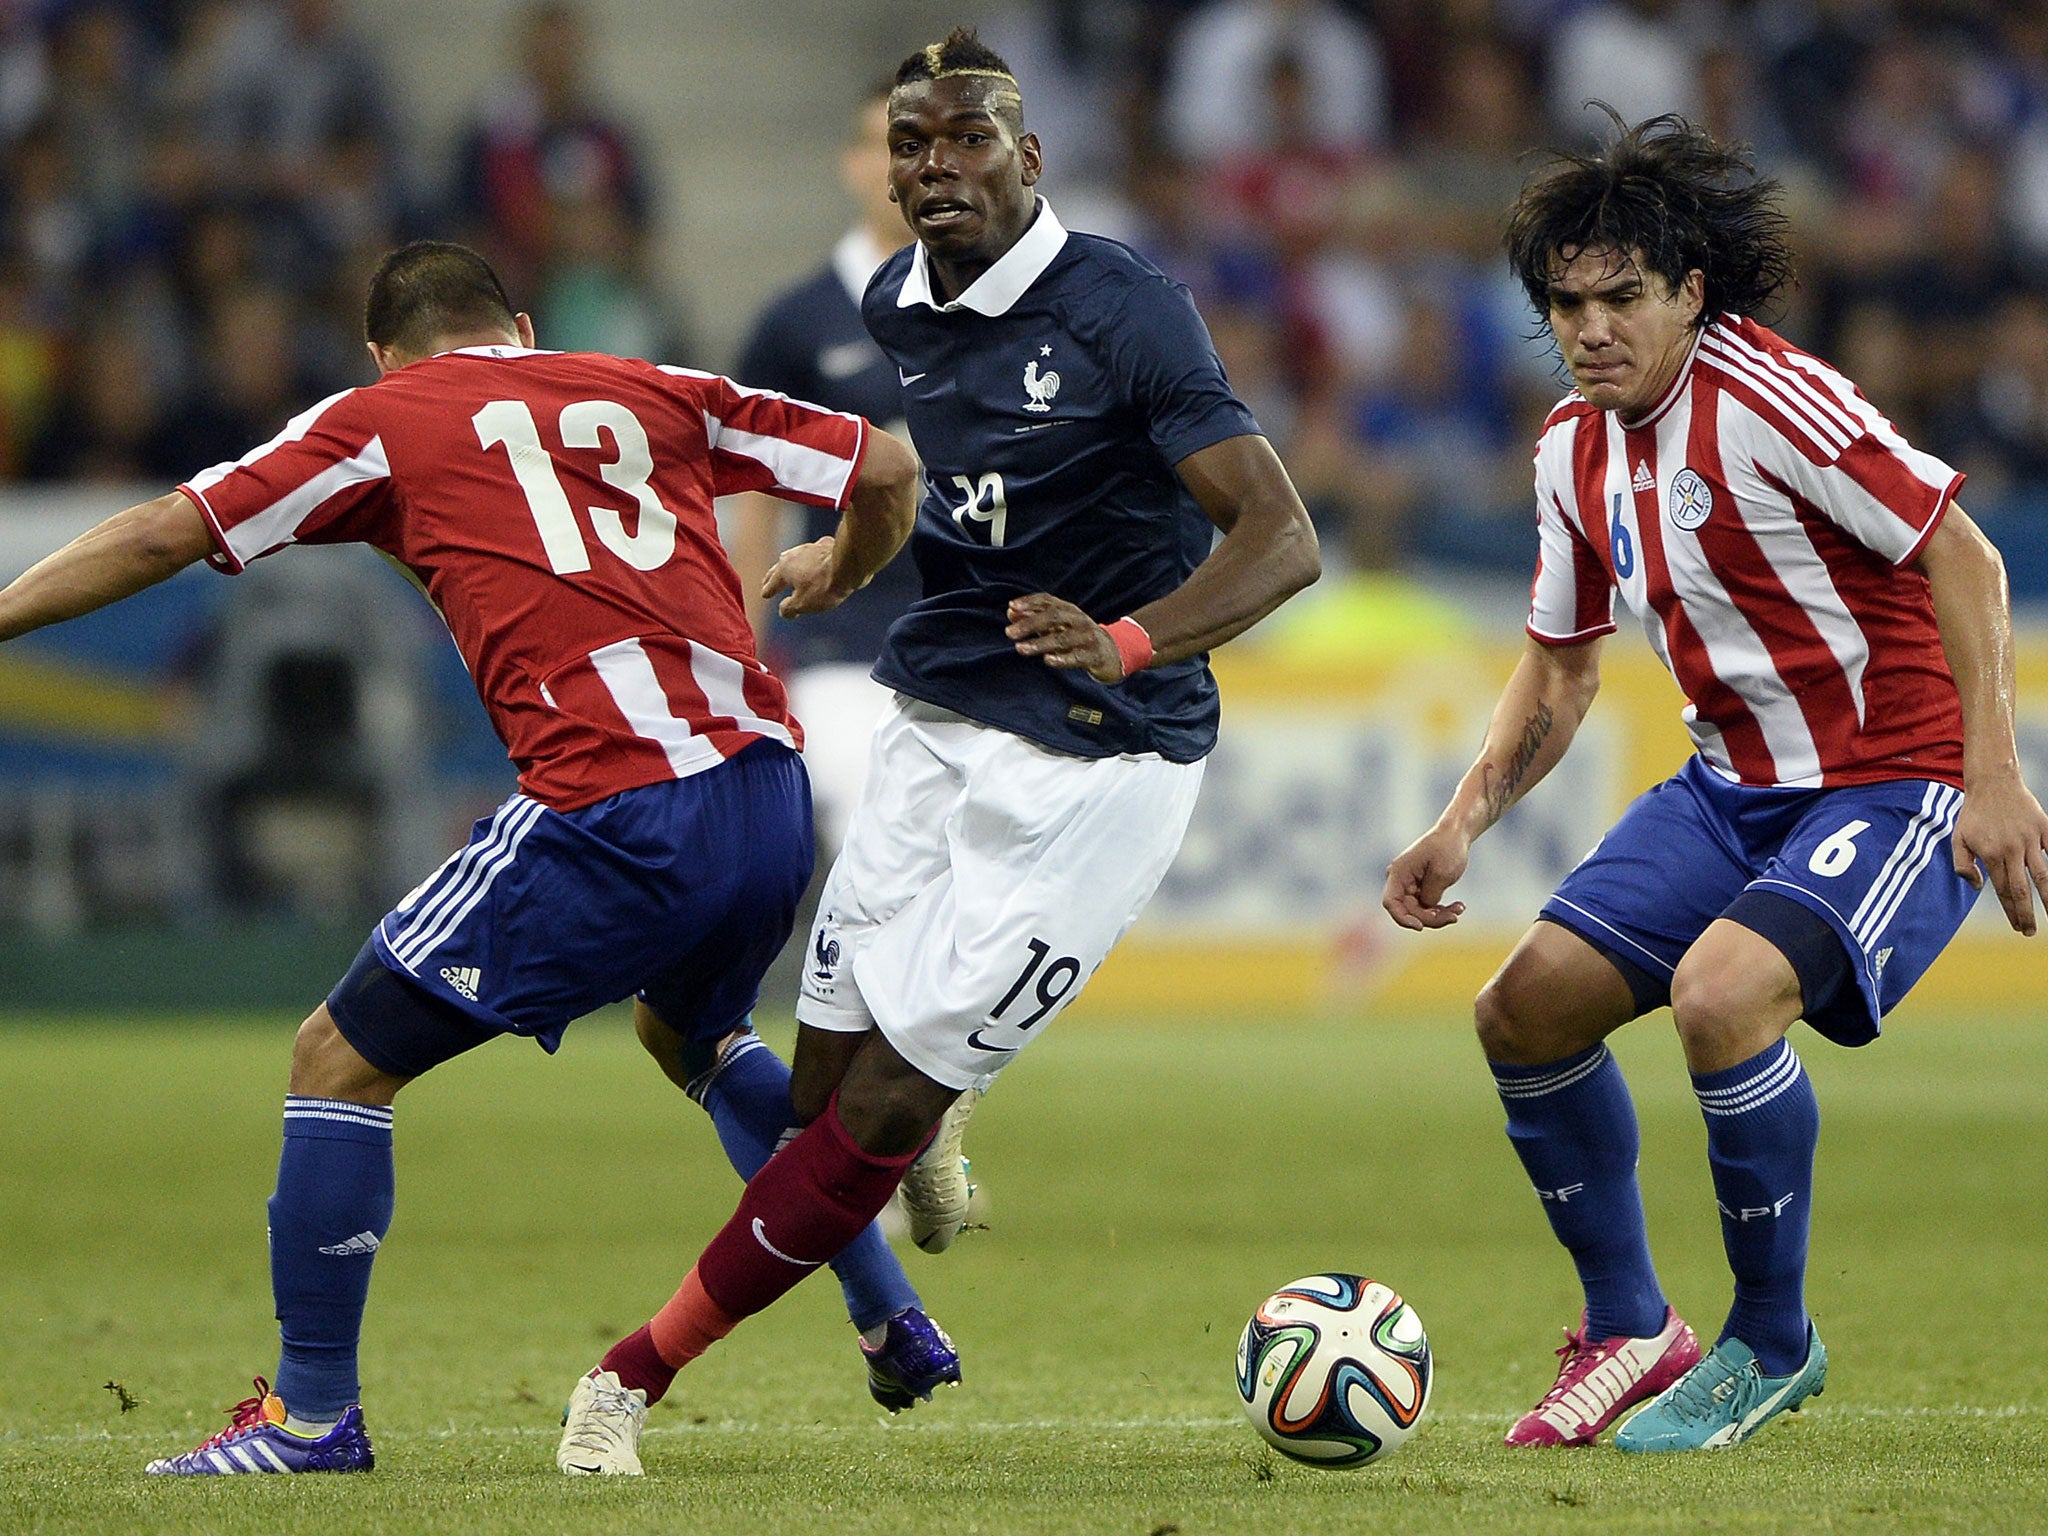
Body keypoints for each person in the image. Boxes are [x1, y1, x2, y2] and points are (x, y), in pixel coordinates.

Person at [0, 239, 957, 1476]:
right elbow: (884, 461)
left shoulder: (379, 415)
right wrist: (843, 562)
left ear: (383, 352)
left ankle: (308, 1422)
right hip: (765, 794)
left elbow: (162, 534)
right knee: (692, 1036)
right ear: (516, 322)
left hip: (616, 807)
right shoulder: (646, 382)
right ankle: (890, 1317)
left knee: (334, 1060)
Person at [560, 27, 1320, 1475]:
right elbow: (916, 480)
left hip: (1103, 762)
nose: (937, 168)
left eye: (967, 141)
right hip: (936, 720)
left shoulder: (1125, 309)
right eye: (914, 146)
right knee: (815, 1101)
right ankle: (927, 1154)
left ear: (1028, 157)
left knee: (883, 1108)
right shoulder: (897, 300)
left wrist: (1138, 637)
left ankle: (629, 1378)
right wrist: (847, 567)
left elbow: (1283, 539)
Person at [1382, 114, 2048, 1453]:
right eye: (1567, 302)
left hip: (1891, 779)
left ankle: (1769, 1343)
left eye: (1623, 296)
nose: (1591, 327)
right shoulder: (1574, 449)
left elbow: (1964, 559)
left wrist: (1994, 775)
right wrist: (1461, 822)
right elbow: (1559, 673)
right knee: (1523, 1011)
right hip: (1729, 786)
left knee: (1722, 998)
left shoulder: (1769, 399)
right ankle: (1633, 1329)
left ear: (1693, 292)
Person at [724, 79, 984, 1255]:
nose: (912, 167)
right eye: (894, 145)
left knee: (976, 867)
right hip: (839, 641)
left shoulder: (990, 305)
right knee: (869, 817)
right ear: (852, 165)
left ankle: (921, 1094)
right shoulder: (797, 322)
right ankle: (912, 1102)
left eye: (935, 146)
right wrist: (737, 641)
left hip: (979, 641)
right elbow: (749, 497)